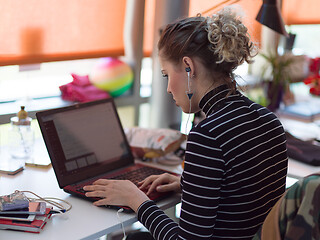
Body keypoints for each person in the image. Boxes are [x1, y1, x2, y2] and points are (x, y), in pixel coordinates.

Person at [83, 8, 288, 240]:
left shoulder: (208, 135)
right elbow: (246, 196)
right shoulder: (267, 118)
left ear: (189, 67)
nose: (169, 88)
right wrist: (189, 185)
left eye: (166, 74)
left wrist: (135, 199)